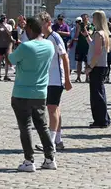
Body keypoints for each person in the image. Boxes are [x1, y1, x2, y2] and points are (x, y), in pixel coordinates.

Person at [8, 16, 56, 172]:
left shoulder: (25, 47)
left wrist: (11, 46)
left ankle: (29, 161)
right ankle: (50, 158)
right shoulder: (49, 45)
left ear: (29, 29)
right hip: (40, 92)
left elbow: (11, 60)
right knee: (42, 126)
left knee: (25, 127)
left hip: (22, 92)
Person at [36, 12, 72, 152]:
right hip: (49, 79)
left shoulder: (55, 37)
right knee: (55, 109)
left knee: (51, 109)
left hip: (56, 79)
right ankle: (58, 140)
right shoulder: (45, 38)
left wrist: (67, 80)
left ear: (48, 23)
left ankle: (49, 142)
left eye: (41, 23)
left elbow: (65, 57)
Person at [83, 10, 111, 128]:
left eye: (93, 18)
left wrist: (90, 67)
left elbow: (97, 53)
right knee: (99, 92)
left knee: (96, 95)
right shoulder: (102, 33)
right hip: (100, 66)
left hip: (97, 66)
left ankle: (101, 120)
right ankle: (103, 118)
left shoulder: (99, 34)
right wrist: (87, 36)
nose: (92, 20)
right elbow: (93, 46)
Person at [72, 14, 93, 83]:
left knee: (87, 62)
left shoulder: (90, 26)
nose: (83, 20)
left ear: (88, 18)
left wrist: (84, 28)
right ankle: (78, 77)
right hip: (80, 46)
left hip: (87, 46)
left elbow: (90, 33)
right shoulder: (80, 26)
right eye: (82, 19)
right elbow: (76, 36)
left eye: (84, 19)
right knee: (79, 62)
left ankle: (87, 77)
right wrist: (78, 28)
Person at [0, 15, 15, 81]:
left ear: (6, 19)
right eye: (2, 18)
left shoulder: (9, 26)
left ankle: (6, 75)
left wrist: (5, 27)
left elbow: (10, 34)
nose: (3, 20)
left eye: (4, 18)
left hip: (7, 45)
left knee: (7, 61)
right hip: (0, 45)